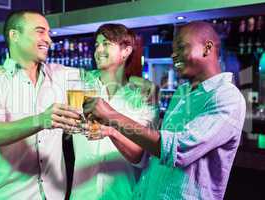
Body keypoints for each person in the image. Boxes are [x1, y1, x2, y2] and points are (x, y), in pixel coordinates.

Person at [83, 21, 246, 200]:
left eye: (181, 47)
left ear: (207, 48)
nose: (173, 55)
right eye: (173, 49)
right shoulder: (182, 93)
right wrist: (111, 131)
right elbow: (151, 154)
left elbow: (176, 150)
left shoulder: (226, 97)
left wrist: (111, 116)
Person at [0, 10, 81, 200]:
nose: (49, 40)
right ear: (14, 35)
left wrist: (138, 83)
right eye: (40, 31)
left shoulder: (61, 76)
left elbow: (103, 78)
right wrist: (41, 120)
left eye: (49, 33)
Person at [70, 24, 157, 200]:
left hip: (123, 195)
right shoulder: (79, 84)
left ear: (125, 51)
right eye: (96, 45)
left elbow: (140, 156)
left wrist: (111, 131)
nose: (99, 50)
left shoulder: (141, 98)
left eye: (106, 43)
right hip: (82, 195)